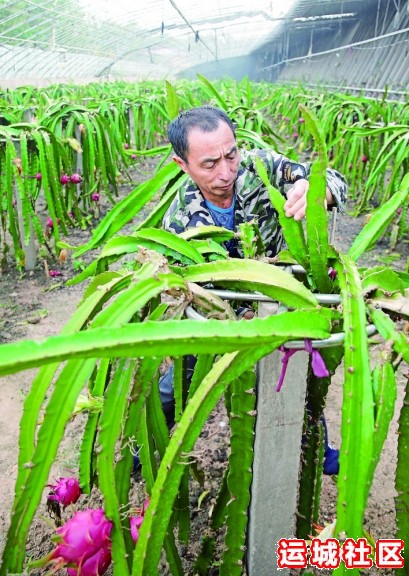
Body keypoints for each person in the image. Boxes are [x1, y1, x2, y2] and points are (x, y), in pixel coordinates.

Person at [135, 106, 347, 475]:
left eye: (230, 155)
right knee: (175, 388)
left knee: (301, 385)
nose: (226, 172)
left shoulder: (261, 167)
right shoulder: (179, 220)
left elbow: (334, 179)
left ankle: (318, 450)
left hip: (283, 307)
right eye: (210, 164)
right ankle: (145, 447)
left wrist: (317, 190)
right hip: (220, 318)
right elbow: (186, 290)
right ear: (181, 165)